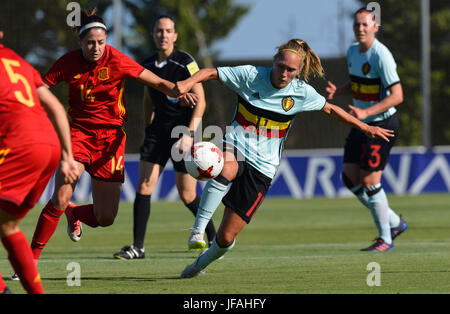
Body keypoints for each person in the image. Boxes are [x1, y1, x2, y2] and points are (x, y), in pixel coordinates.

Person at [173, 38, 395, 278]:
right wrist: (188, 82)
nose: (285, 73)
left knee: (226, 238)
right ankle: (197, 230)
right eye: (281, 66)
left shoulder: (301, 92)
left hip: (264, 168)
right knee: (225, 167)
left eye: (291, 70)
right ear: (274, 61)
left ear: (299, 72)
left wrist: (365, 127)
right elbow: (211, 73)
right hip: (235, 147)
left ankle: (199, 264)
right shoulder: (250, 75)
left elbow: (331, 109)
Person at [23, 8, 197, 269]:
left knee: (105, 217)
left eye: (101, 43)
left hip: (111, 141)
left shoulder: (117, 59)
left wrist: (178, 91)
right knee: (60, 196)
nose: (96, 48)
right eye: (90, 43)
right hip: (78, 135)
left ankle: (74, 212)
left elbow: (157, 82)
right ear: (80, 42)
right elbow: (40, 90)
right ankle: (28, 262)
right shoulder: (68, 62)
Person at [113, 15, 216, 260]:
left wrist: (190, 134)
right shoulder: (147, 63)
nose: (163, 35)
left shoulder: (185, 62)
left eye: (168, 31)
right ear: (153, 34)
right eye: (159, 31)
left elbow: (201, 101)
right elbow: (149, 97)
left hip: (182, 132)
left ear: (175, 36)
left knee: (187, 194)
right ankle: (138, 247)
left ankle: (215, 239)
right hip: (157, 131)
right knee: (145, 185)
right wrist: (148, 122)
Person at [0, 28, 79, 294]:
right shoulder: (19, 63)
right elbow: (56, 106)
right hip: (49, 146)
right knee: (7, 225)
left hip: (19, 145)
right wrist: (67, 156)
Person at [325, 8, 408, 252]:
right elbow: (359, 83)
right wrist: (338, 92)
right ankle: (394, 222)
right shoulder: (353, 51)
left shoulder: (381, 55)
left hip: (381, 124)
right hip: (361, 124)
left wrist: (367, 113)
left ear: (375, 28)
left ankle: (386, 239)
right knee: (350, 179)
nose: (360, 28)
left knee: (371, 182)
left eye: (365, 25)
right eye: (357, 25)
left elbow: (398, 95)